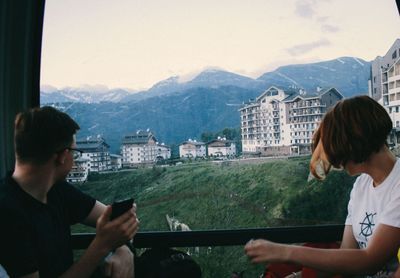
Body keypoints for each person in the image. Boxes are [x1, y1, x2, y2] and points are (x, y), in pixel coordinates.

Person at [245, 95, 400, 276]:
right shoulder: (361, 186)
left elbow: (370, 260)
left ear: (354, 142)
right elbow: (347, 256)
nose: (335, 162)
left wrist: (285, 252)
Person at [0, 106, 139, 277]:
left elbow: (118, 221)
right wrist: (101, 245)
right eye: (75, 152)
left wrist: (124, 249)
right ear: (63, 156)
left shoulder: (56, 191)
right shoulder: (7, 214)